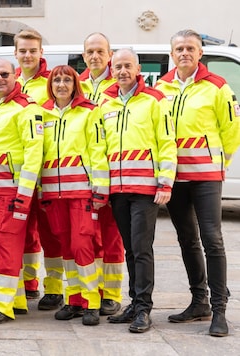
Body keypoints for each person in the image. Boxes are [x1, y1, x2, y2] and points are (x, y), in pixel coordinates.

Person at [155, 29, 240, 337]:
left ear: (200, 53)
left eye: (190, 48)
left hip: (205, 176)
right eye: (179, 48)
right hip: (175, 177)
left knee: (213, 241)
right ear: (172, 53)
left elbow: (232, 129)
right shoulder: (162, 87)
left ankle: (220, 311)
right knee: (187, 240)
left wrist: (220, 163)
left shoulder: (217, 86)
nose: (184, 53)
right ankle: (199, 301)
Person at [101, 48, 177, 333]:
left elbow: (167, 142)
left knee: (142, 248)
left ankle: (144, 308)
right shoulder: (105, 103)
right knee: (129, 249)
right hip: (118, 189)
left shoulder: (154, 100)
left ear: (137, 69)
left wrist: (165, 181)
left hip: (145, 188)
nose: (122, 71)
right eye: (117, 66)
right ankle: (134, 302)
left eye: (127, 66)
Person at [0, 59, 44, 325]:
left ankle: (2, 306)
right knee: (1, 245)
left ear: (16, 75)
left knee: (7, 247)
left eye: (4, 74)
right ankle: (15, 301)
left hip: (11, 193)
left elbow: (33, 153)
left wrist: (24, 194)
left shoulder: (27, 109)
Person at [40, 65, 108, 326]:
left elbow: (98, 152)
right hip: (53, 194)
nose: (61, 84)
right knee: (66, 246)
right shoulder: (41, 114)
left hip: (81, 193)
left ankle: (92, 301)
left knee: (82, 245)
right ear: (50, 85)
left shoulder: (90, 112)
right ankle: (74, 299)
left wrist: (100, 190)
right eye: (56, 80)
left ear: (75, 84)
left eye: (67, 80)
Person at [14, 29, 63, 309]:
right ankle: (29, 283)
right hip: (16, 175)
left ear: (41, 52)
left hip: (45, 173)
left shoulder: (52, 83)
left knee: (50, 234)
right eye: (23, 51)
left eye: (33, 50)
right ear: (16, 53)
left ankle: (54, 288)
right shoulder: (10, 82)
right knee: (24, 231)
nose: (28, 55)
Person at [79, 32, 124, 316]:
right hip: (85, 175)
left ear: (110, 54)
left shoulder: (118, 82)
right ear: (83, 56)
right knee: (90, 237)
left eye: (100, 51)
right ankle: (92, 290)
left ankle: (112, 293)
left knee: (112, 236)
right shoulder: (77, 85)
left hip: (115, 172)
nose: (94, 56)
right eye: (89, 52)